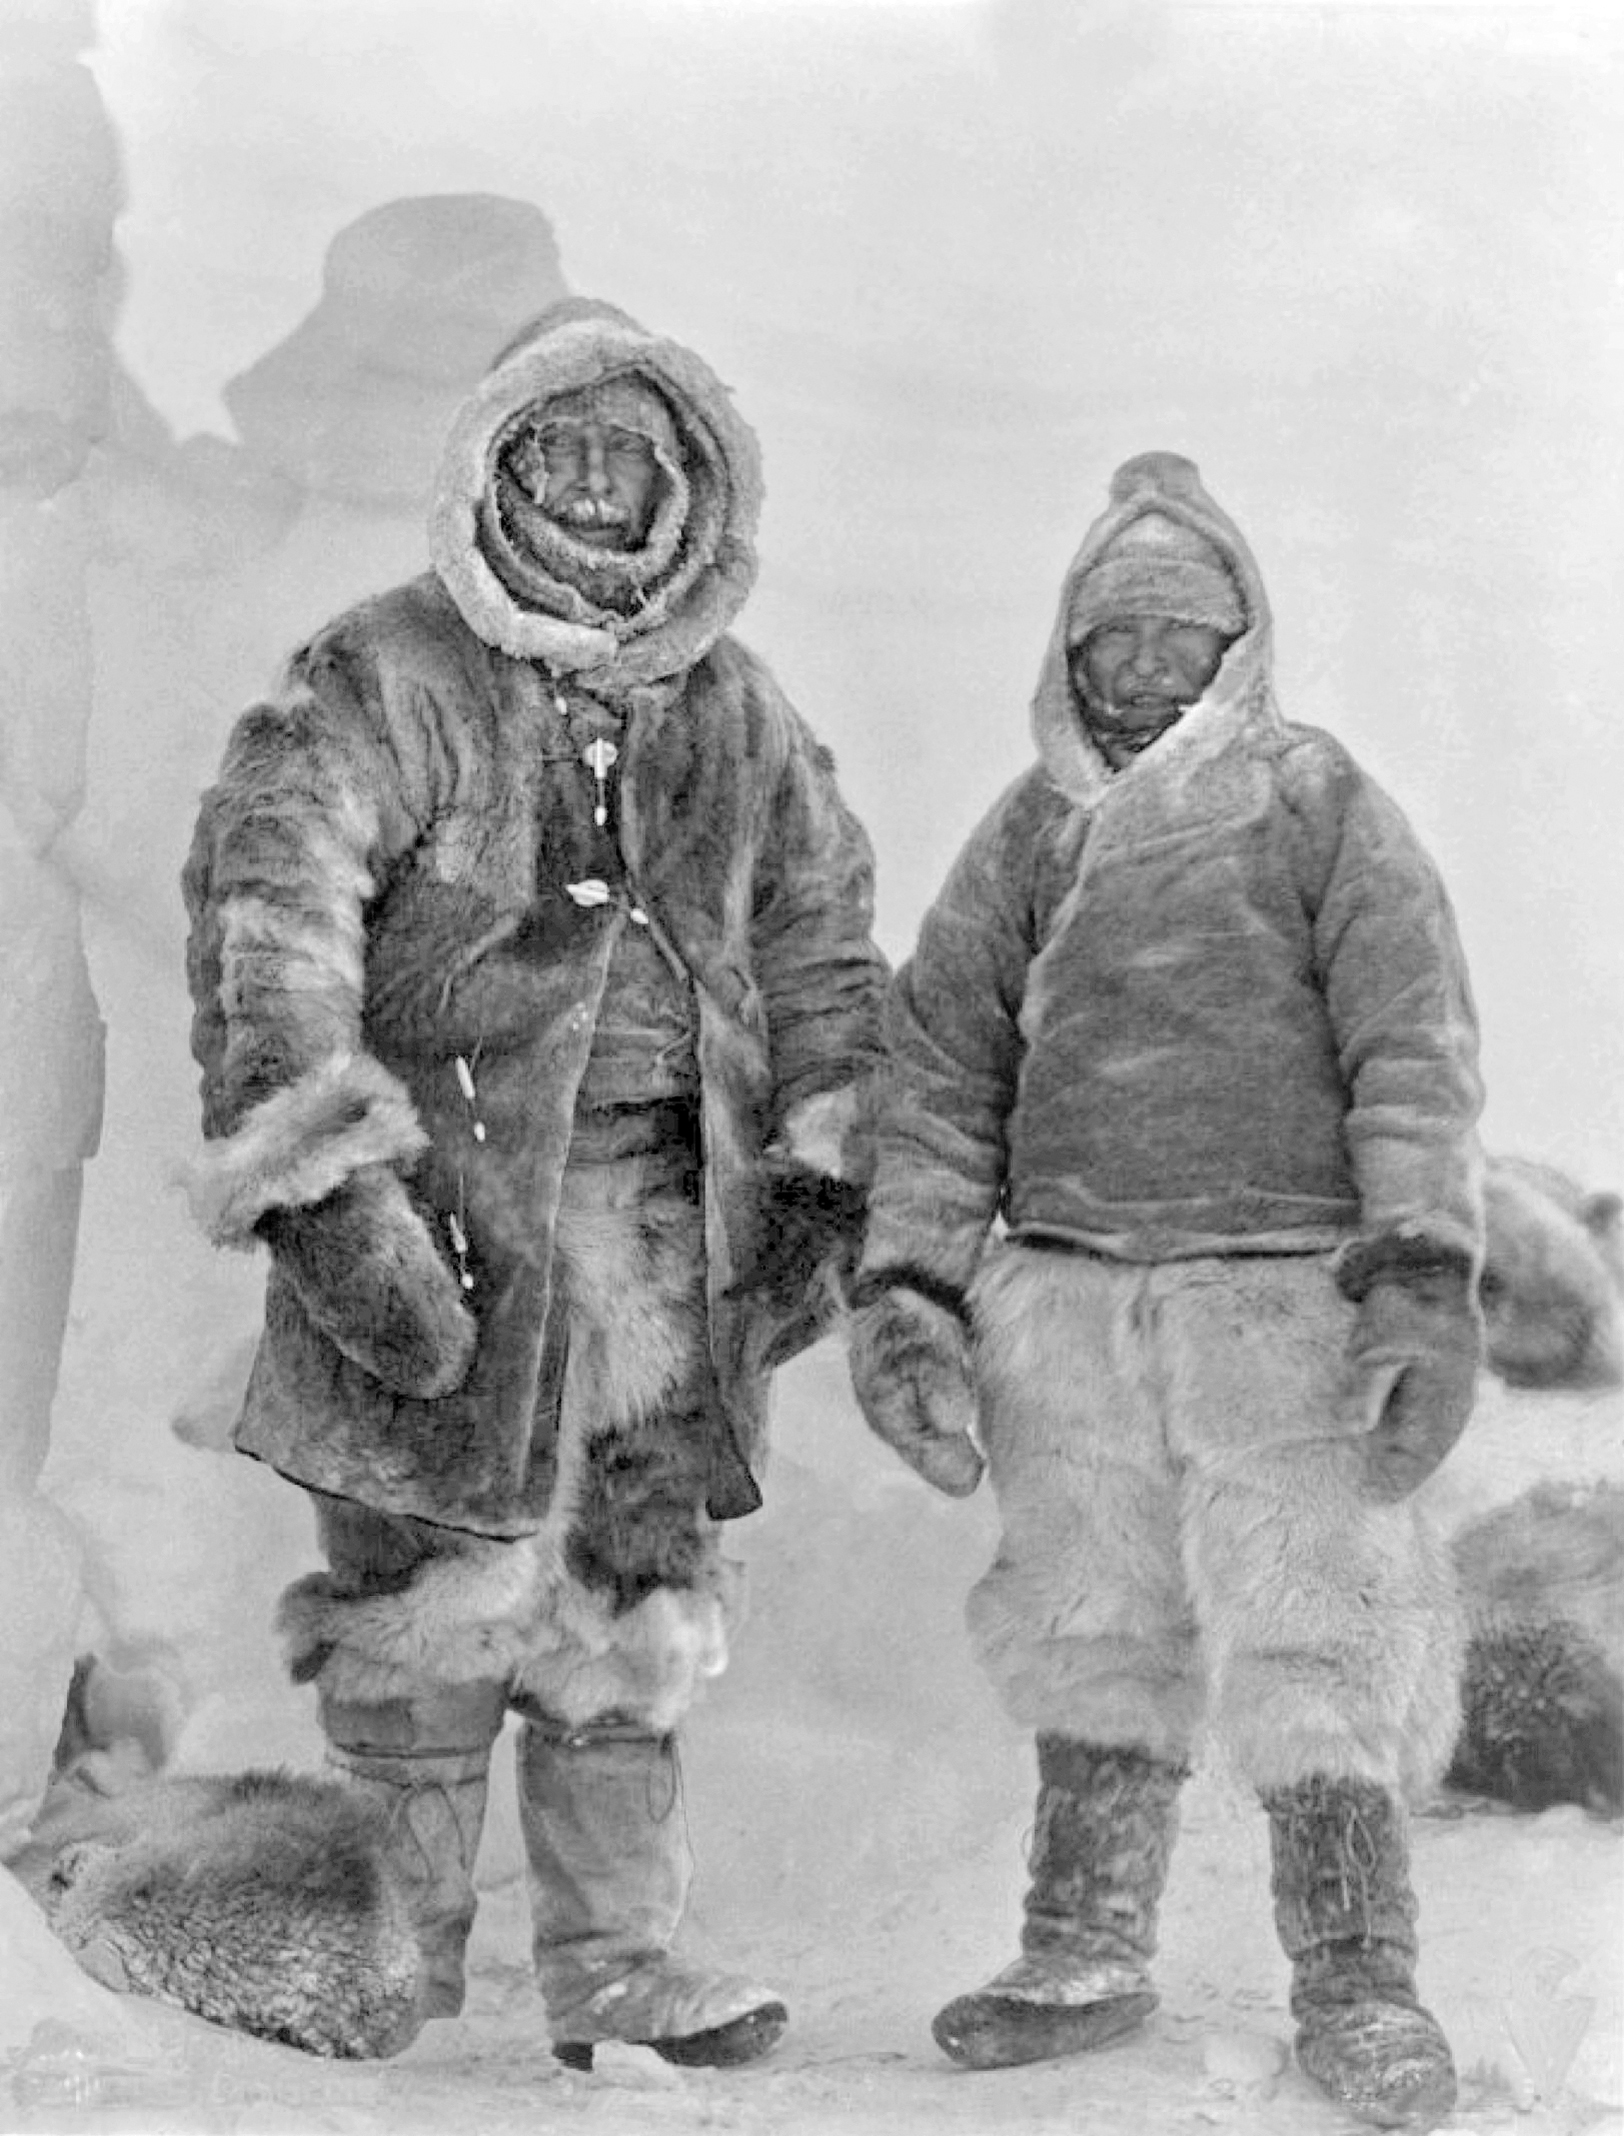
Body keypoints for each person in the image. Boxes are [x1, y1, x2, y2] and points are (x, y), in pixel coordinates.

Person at [181, 296, 886, 2068]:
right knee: (421, 1596)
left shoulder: (736, 711)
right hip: (451, 1225)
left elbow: (820, 938)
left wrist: (823, 1167)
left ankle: (619, 1974)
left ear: (688, 494)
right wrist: (333, 1194)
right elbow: (271, 923)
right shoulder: (380, 675)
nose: (589, 488)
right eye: (555, 451)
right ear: (493, 468)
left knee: (632, 1604)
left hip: (670, 1225)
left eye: (626, 461)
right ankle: (387, 1955)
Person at [846, 450, 1484, 2129]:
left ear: (1238, 645)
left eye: (1177, 638)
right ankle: (1081, 1943)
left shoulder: (1315, 800)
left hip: (1283, 1304)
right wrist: (911, 1288)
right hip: (1061, 1306)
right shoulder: (1029, 830)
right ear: (1071, 650)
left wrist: (1419, 1276)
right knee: (1090, 1626)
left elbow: (1409, 1044)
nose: (1142, 668)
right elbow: (938, 1071)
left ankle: (1361, 1982)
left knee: (1319, 1638)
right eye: (1112, 638)